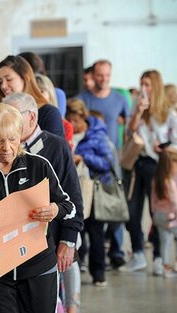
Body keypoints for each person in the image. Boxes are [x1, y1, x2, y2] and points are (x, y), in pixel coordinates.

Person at [0, 103, 75, 313]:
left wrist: (55, 210)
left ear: (20, 135)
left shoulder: (39, 166)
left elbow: (69, 206)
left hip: (38, 268)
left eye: (12, 139)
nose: (7, 147)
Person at [4, 93, 83, 313]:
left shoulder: (55, 146)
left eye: (11, 115)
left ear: (31, 117)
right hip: (15, 247)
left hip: (51, 241)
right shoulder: (2, 150)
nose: (5, 121)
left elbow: (73, 197)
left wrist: (68, 241)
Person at [120, 70, 177, 274]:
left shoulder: (167, 112)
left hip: (157, 165)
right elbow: (129, 132)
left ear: (156, 86)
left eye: (147, 84)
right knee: (132, 210)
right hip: (137, 163)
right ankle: (138, 254)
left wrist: (165, 147)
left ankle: (160, 257)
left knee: (157, 212)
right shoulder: (137, 106)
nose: (144, 88)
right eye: (141, 83)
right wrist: (138, 112)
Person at [77, 60, 130, 268]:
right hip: (88, 163)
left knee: (114, 203)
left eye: (107, 75)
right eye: (100, 75)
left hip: (111, 159)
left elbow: (129, 123)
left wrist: (124, 149)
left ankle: (117, 251)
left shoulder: (119, 98)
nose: (104, 79)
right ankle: (86, 254)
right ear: (94, 74)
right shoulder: (83, 99)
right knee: (91, 211)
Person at [66, 98, 113, 287]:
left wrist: (83, 157)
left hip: (93, 189)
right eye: (70, 121)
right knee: (79, 229)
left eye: (76, 121)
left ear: (83, 117)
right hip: (74, 189)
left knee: (96, 232)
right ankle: (80, 264)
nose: (74, 125)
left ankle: (99, 272)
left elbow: (106, 162)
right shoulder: (67, 134)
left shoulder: (97, 134)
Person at [0, 55, 65, 137]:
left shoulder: (49, 113)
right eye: (0, 81)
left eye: (9, 79)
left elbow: (55, 147)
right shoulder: (0, 113)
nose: (3, 86)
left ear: (25, 78)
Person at [151, 149, 177, 278]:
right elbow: (174, 201)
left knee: (164, 243)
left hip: (158, 215)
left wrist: (154, 213)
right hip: (170, 216)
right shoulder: (169, 182)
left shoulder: (156, 180)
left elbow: (153, 200)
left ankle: (165, 267)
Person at [36, 74, 74, 149]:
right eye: (34, 91)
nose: (37, 95)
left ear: (50, 94)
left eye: (41, 91)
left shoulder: (66, 126)